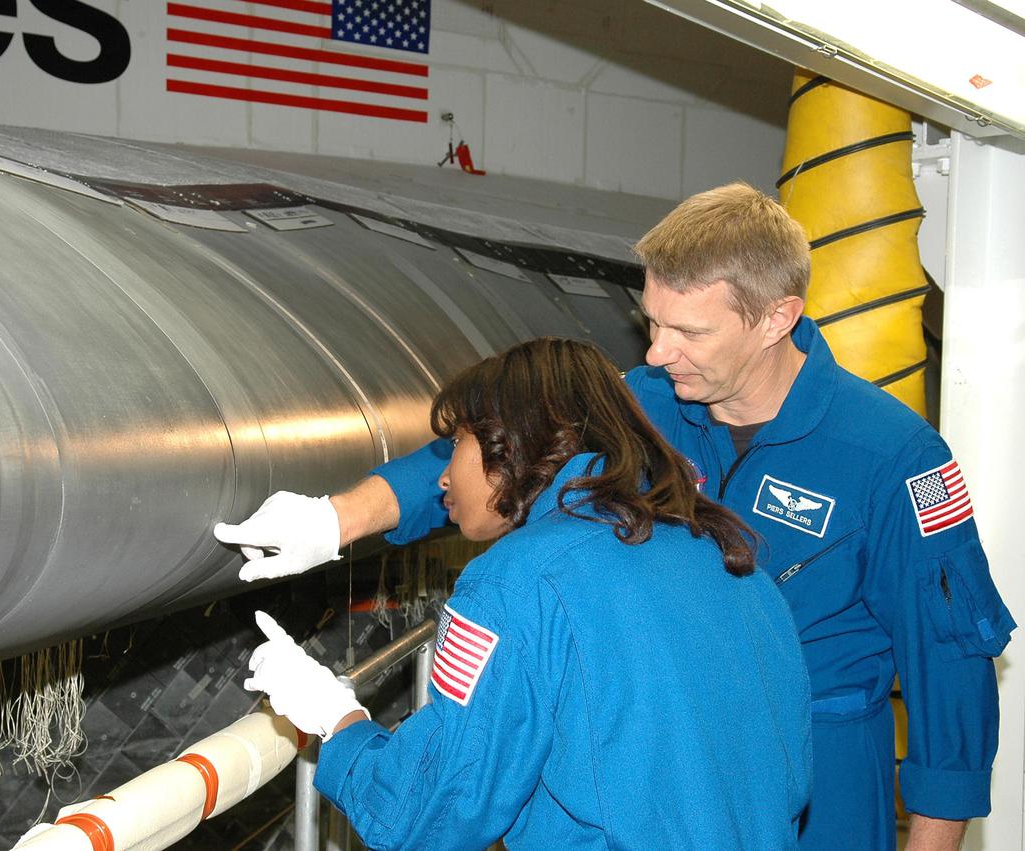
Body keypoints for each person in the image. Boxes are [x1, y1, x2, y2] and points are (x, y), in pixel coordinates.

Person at [214, 183, 1016, 850]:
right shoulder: (645, 404)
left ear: (777, 318)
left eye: (688, 330)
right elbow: (499, 447)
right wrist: (336, 517)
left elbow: (950, 673)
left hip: (819, 771)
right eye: (652, 322)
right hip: (645, 761)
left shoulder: (892, 457)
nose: (658, 351)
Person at [236, 338, 811, 850]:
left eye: (458, 442)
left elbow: (433, 813)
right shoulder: (724, 555)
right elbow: (787, 782)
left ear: (509, 444)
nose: (441, 477)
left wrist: (336, 721)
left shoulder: (514, 582)